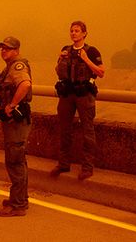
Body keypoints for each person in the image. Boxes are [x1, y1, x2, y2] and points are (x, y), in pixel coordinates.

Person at [51, 20, 105, 180]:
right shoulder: (65, 50)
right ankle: (63, 164)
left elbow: (101, 72)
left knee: (87, 131)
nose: (74, 33)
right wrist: (59, 58)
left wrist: (86, 59)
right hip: (67, 94)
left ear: (84, 33)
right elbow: (58, 71)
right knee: (64, 130)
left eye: (77, 31)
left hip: (84, 95)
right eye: (72, 31)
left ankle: (87, 167)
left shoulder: (92, 51)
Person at [0, 36, 32, 217]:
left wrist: (11, 105)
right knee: (18, 160)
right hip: (14, 121)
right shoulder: (9, 67)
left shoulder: (17, 66)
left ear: (16, 50)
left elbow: (25, 84)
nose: (3, 51)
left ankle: (17, 205)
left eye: (7, 48)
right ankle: (21, 198)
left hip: (16, 121)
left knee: (14, 161)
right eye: (2, 48)